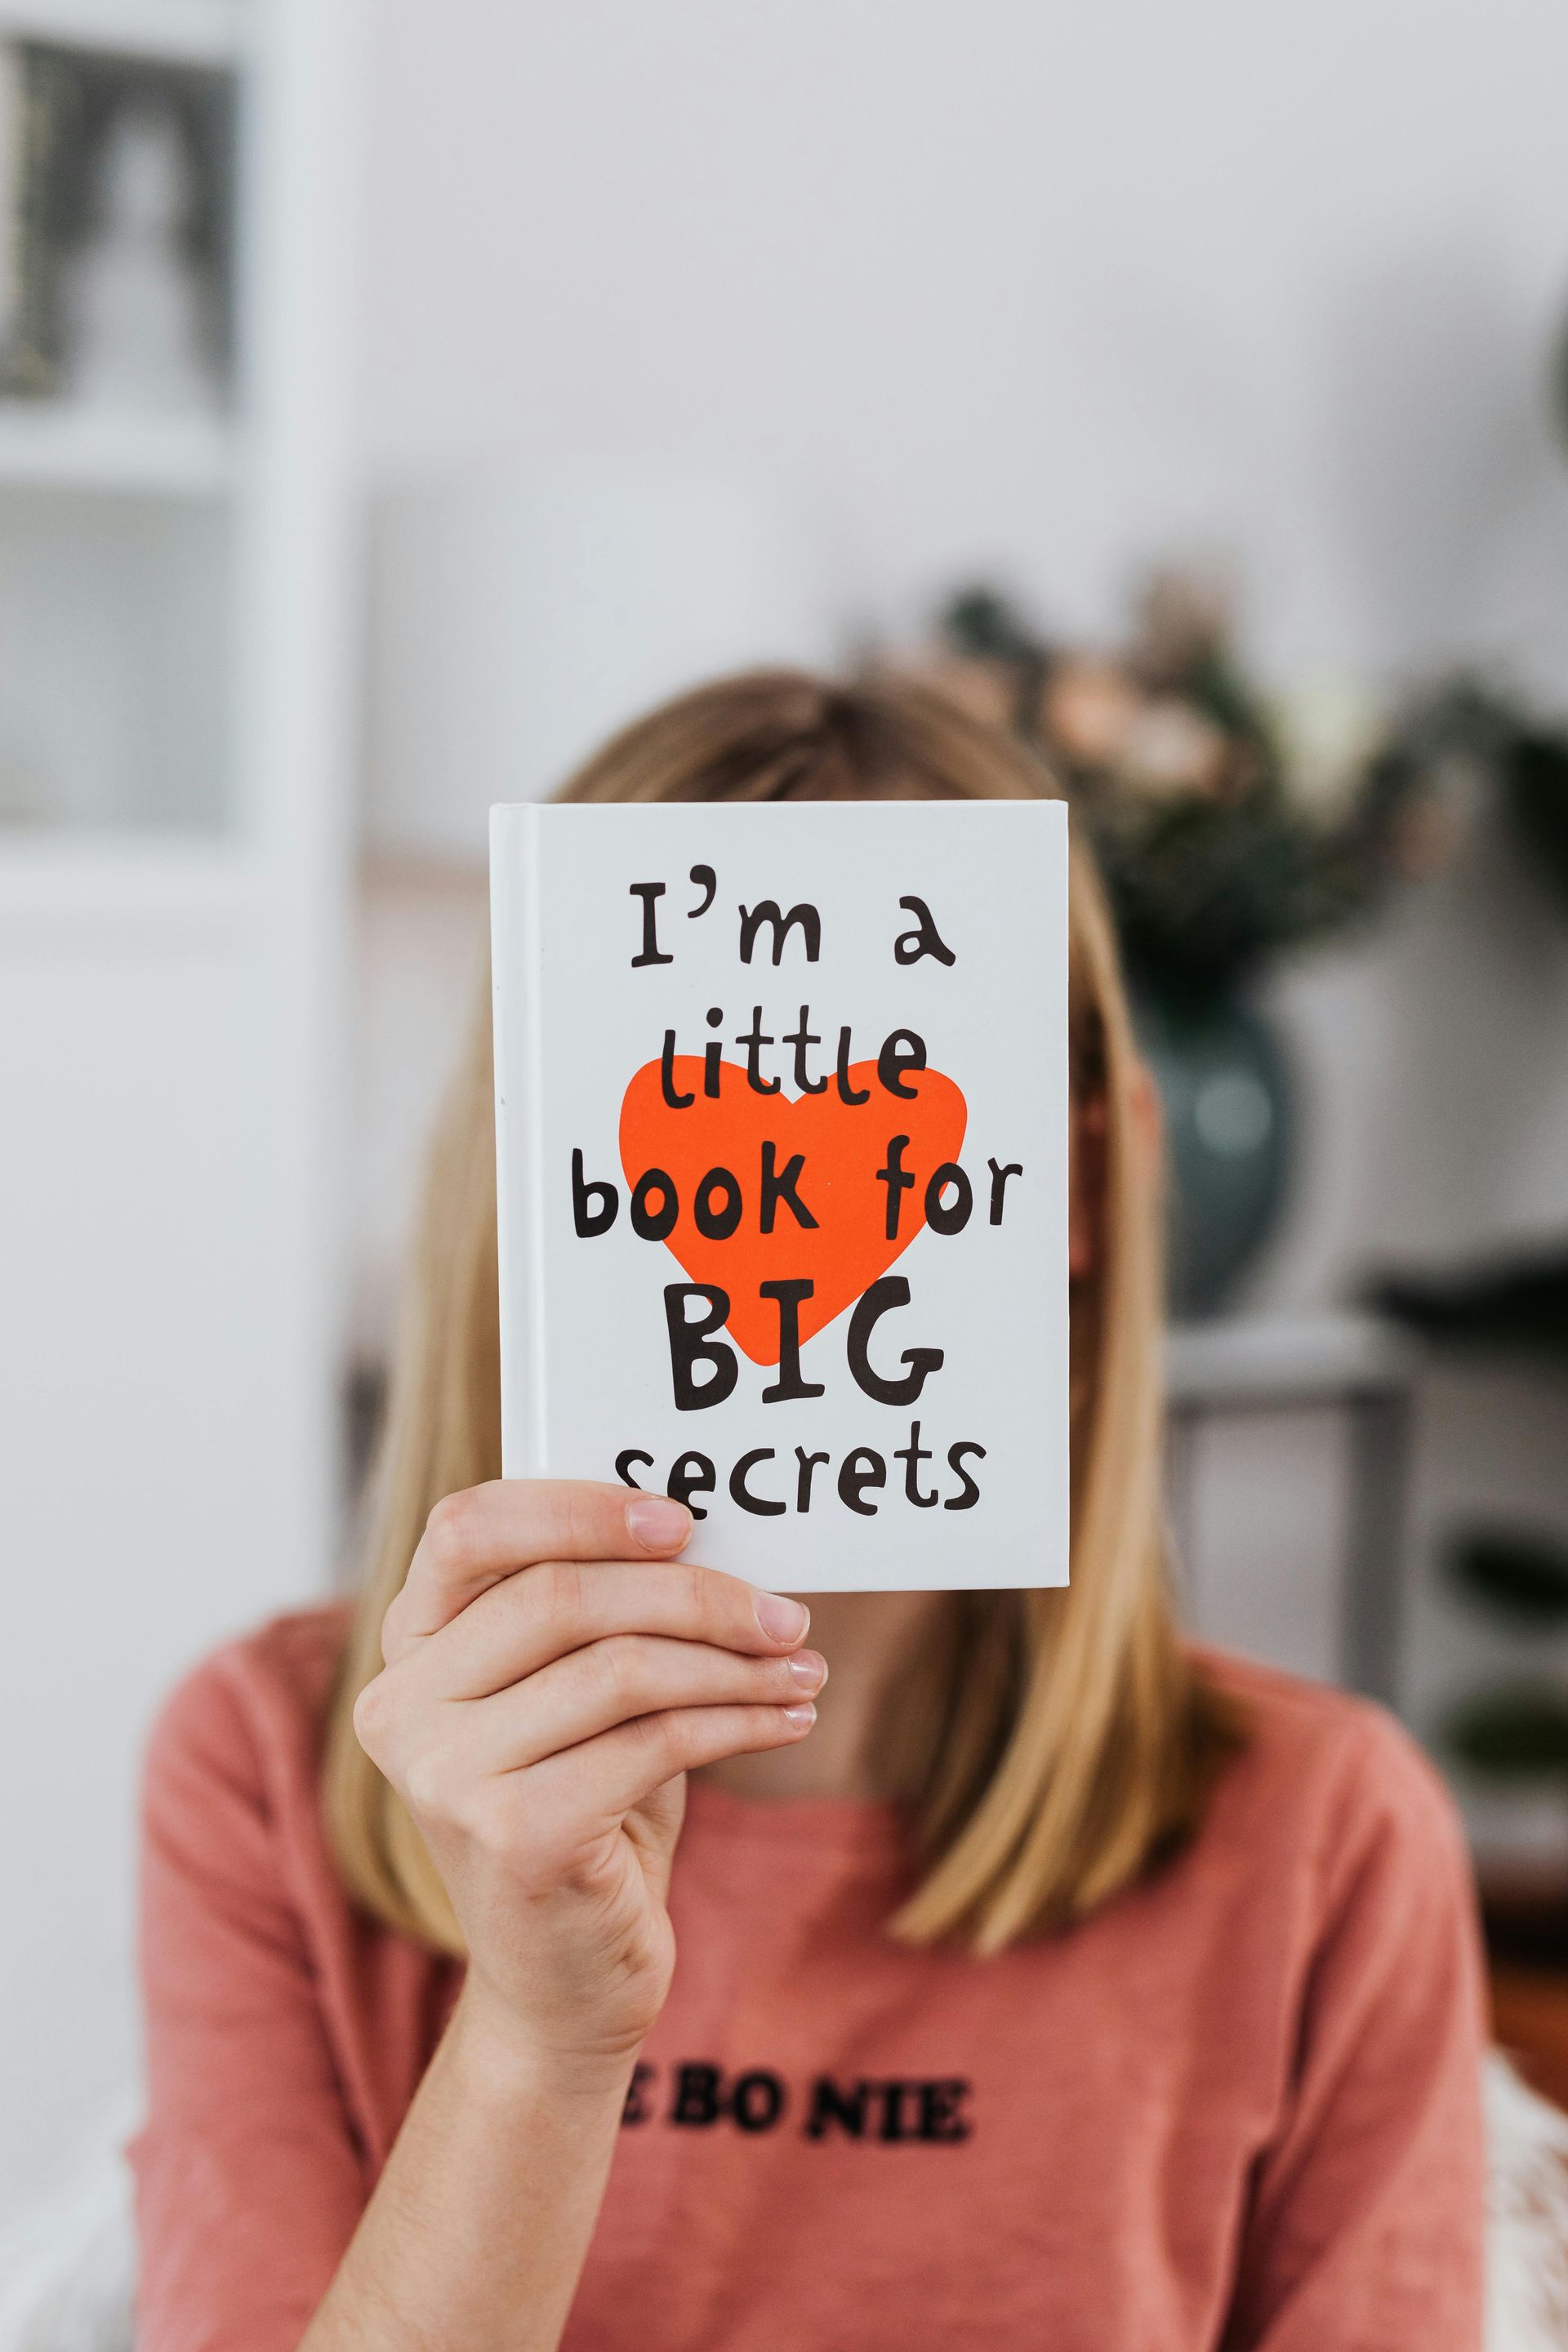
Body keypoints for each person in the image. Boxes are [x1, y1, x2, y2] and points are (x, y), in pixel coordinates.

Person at [132, 673, 1486, 2352]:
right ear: (528, 1191)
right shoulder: (265, 1766)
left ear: (1086, 1182)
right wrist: (540, 2044)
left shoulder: (1325, 1844)